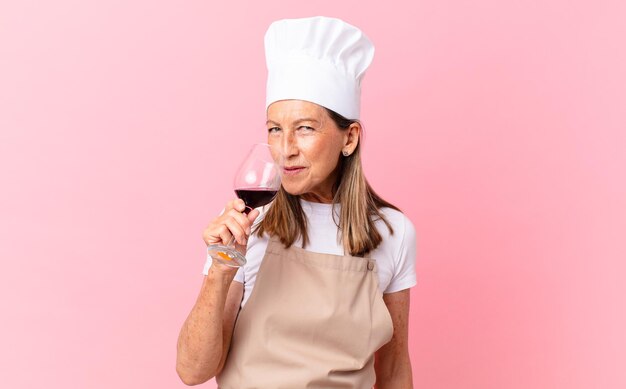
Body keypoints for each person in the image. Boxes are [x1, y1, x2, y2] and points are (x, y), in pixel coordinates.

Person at [176, 16, 417, 388]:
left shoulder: (393, 233)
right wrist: (220, 269)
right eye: (275, 129)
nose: (285, 150)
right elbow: (193, 370)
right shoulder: (247, 226)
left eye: (304, 128)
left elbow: (394, 370)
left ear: (349, 138)